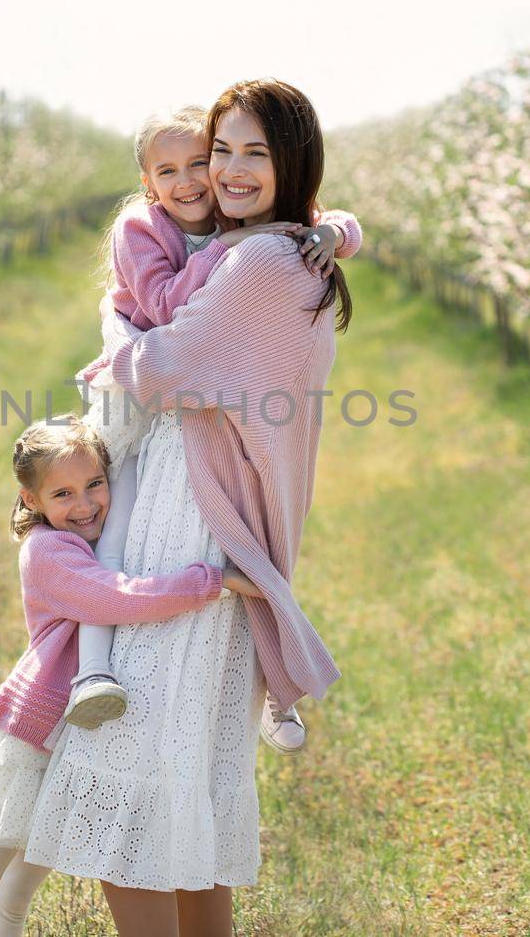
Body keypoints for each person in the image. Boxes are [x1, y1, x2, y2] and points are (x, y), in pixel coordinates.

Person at [23, 78, 354, 936]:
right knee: (192, 771)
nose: (232, 170)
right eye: (222, 152)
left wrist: (111, 322)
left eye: (256, 152)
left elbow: (160, 369)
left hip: (184, 518)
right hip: (200, 517)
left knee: (123, 756)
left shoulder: (258, 264)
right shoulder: (293, 253)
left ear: (293, 162)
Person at [68, 104, 362, 756]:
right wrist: (226, 254)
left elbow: (325, 219)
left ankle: (276, 691)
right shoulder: (144, 227)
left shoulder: (242, 230)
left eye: (201, 160)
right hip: (126, 387)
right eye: (169, 170)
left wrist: (337, 235)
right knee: (107, 516)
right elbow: (167, 306)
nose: (197, 178)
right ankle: (92, 666)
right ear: (147, 184)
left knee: (231, 557)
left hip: (169, 385)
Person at [0, 416, 262, 937]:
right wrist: (209, 581)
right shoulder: (49, 552)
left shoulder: (80, 541)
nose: (84, 505)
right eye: (62, 493)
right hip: (34, 739)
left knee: (14, 901)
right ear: (30, 499)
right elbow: (115, 596)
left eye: (95, 484)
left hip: (71, 746)